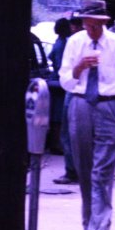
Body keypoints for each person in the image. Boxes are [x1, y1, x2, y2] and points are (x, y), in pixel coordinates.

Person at [59, 0, 115, 230]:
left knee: (102, 172)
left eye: (97, 24)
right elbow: (66, 81)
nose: (92, 29)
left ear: (105, 23)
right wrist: (80, 67)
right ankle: (89, 227)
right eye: (87, 24)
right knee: (84, 168)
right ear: (81, 23)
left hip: (108, 106)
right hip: (80, 104)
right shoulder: (75, 43)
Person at [53, 16, 85, 185]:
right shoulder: (73, 42)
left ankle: (73, 170)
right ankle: (76, 169)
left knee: (69, 133)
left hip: (74, 91)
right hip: (75, 90)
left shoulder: (70, 43)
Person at [46, 18, 71, 155]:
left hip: (55, 79)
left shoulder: (58, 43)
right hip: (59, 81)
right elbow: (61, 65)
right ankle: (56, 144)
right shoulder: (62, 45)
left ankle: (56, 142)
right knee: (58, 116)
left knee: (57, 114)